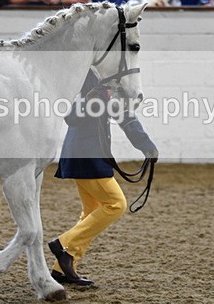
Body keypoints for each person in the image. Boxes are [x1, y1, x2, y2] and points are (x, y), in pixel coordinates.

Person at [48, 70, 159, 287]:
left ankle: (62, 269)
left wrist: (147, 146)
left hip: (86, 156)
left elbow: (127, 119)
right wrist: (88, 99)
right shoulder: (86, 80)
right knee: (116, 204)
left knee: (92, 212)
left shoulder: (112, 89)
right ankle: (63, 243)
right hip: (87, 158)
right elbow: (71, 117)